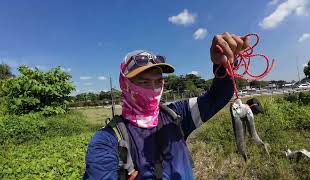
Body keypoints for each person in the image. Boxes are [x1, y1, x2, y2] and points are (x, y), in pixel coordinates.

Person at [83, 32, 250, 179]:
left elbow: (216, 97)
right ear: (125, 85)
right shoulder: (108, 139)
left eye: (158, 81)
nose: (153, 89)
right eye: (144, 82)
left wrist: (223, 64)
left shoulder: (176, 115)